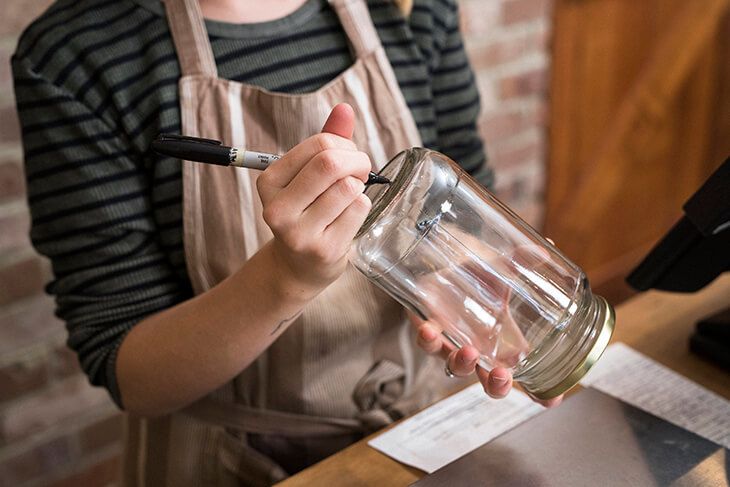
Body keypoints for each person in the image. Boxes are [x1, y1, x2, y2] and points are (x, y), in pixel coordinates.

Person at [13, 0, 561, 485]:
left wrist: (480, 288)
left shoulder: (411, 9)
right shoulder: (79, 54)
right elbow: (132, 377)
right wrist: (287, 277)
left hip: (418, 440)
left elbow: (463, 215)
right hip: (223, 460)